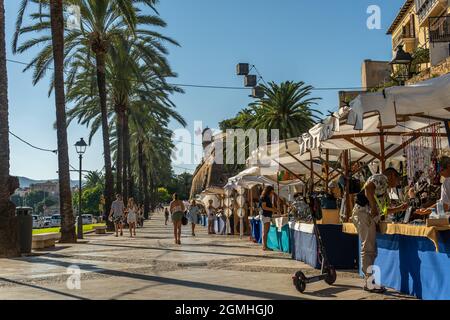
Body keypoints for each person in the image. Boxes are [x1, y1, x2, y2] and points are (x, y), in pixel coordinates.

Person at [351, 168, 408, 293]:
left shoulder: (384, 189)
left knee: (371, 249)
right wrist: (373, 208)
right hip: (363, 214)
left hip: (366, 216)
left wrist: (400, 208)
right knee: (368, 248)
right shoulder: (381, 178)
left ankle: (370, 281)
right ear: (392, 175)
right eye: (398, 179)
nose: (398, 183)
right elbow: (368, 189)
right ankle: (370, 282)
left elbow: (384, 210)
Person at [259, 186, 278, 251]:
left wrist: (275, 209)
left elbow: (270, 205)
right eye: (272, 191)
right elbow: (264, 207)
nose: (272, 193)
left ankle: (264, 246)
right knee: (265, 231)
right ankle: (264, 246)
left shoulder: (267, 197)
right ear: (269, 191)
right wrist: (273, 210)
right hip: (265, 215)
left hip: (267, 215)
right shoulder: (264, 197)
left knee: (265, 231)